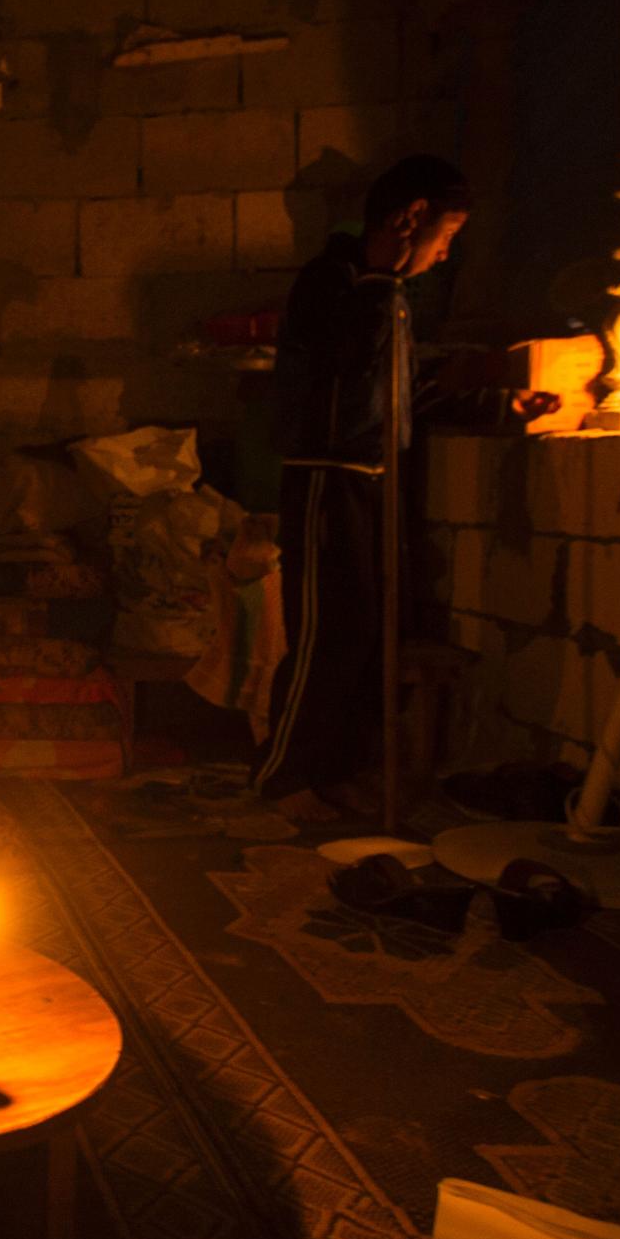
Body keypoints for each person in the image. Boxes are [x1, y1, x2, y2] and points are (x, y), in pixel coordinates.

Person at [256, 155, 469, 822]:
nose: (443, 255)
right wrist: (381, 284)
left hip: (374, 482)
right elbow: (342, 373)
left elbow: (388, 399)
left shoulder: (389, 294)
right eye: (445, 237)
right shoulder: (336, 283)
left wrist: (483, 401)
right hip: (327, 482)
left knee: (364, 635)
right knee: (324, 635)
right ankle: (282, 776)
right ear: (409, 221)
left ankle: (333, 770)